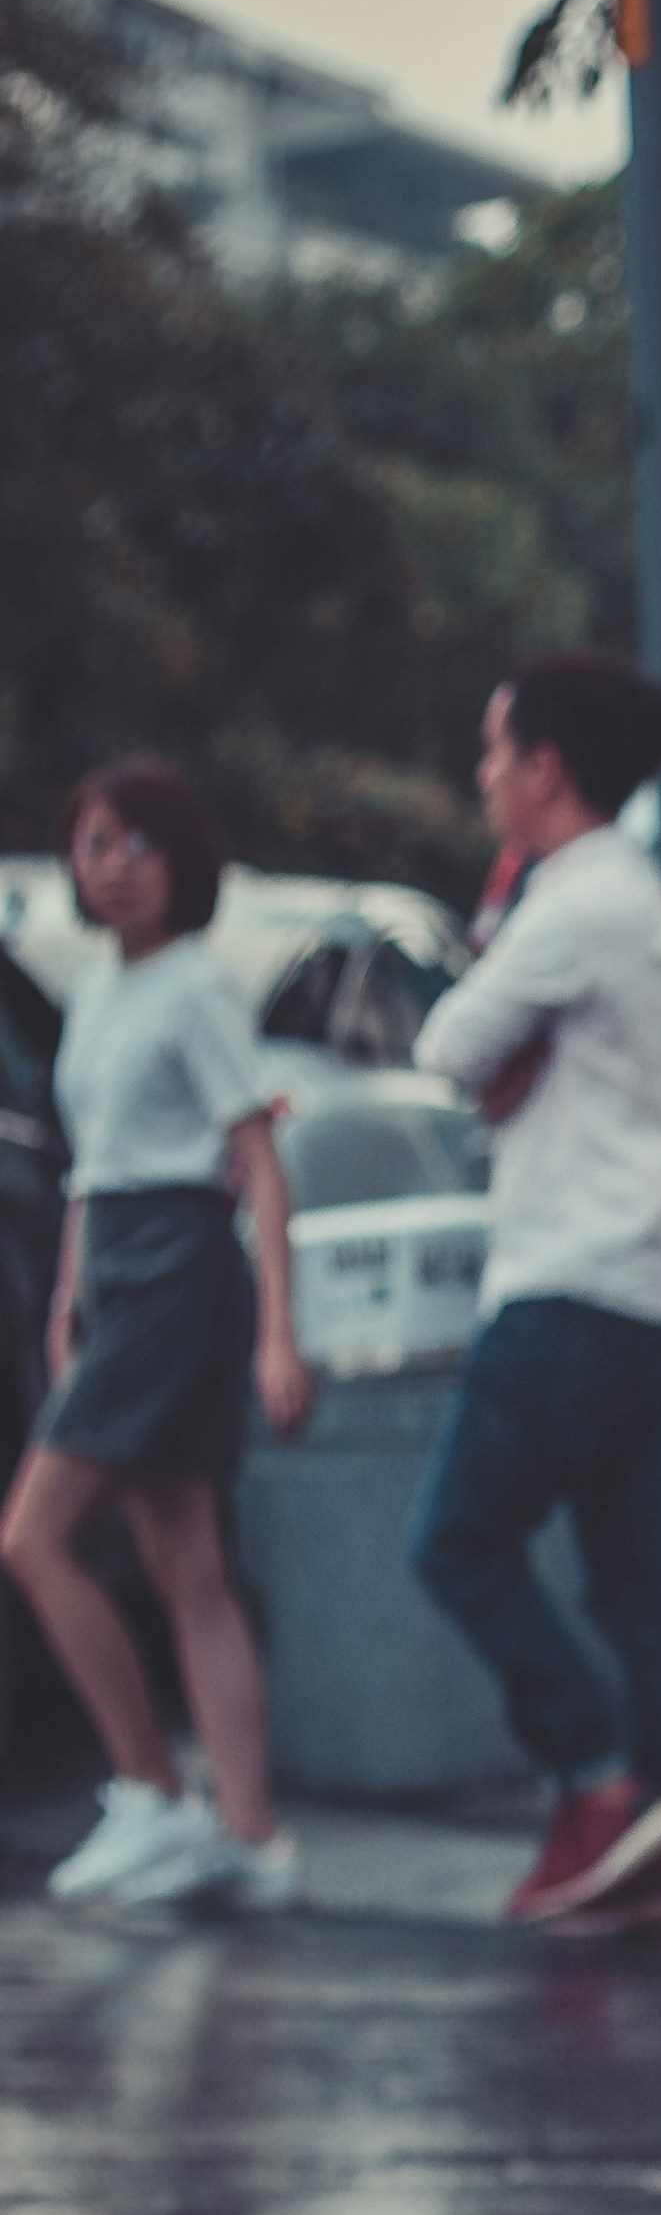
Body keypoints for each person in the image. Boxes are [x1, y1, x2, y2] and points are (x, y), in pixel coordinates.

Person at [405, 654, 661, 1934]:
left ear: (546, 768)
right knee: (638, 1578)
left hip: (568, 1292)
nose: (484, 775)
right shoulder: (641, 899)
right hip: (658, 1299)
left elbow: (449, 1048)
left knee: (457, 1540)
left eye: (496, 752)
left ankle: (600, 1784)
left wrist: (501, 910)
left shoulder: (574, 903)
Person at [6, 760, 308, 1913]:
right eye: (92, 845)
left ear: (184, 861)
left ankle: (151, 1793)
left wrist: (280, 1336)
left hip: (182, 1272)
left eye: (137, 844)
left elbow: (259, 1169)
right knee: (188, 1563)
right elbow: (90, 1173)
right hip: (119, 1273)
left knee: (32, 1540)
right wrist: (65, 1300)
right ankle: (251, 1836)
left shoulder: (195, 990)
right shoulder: (96, 995)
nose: (113, 867)